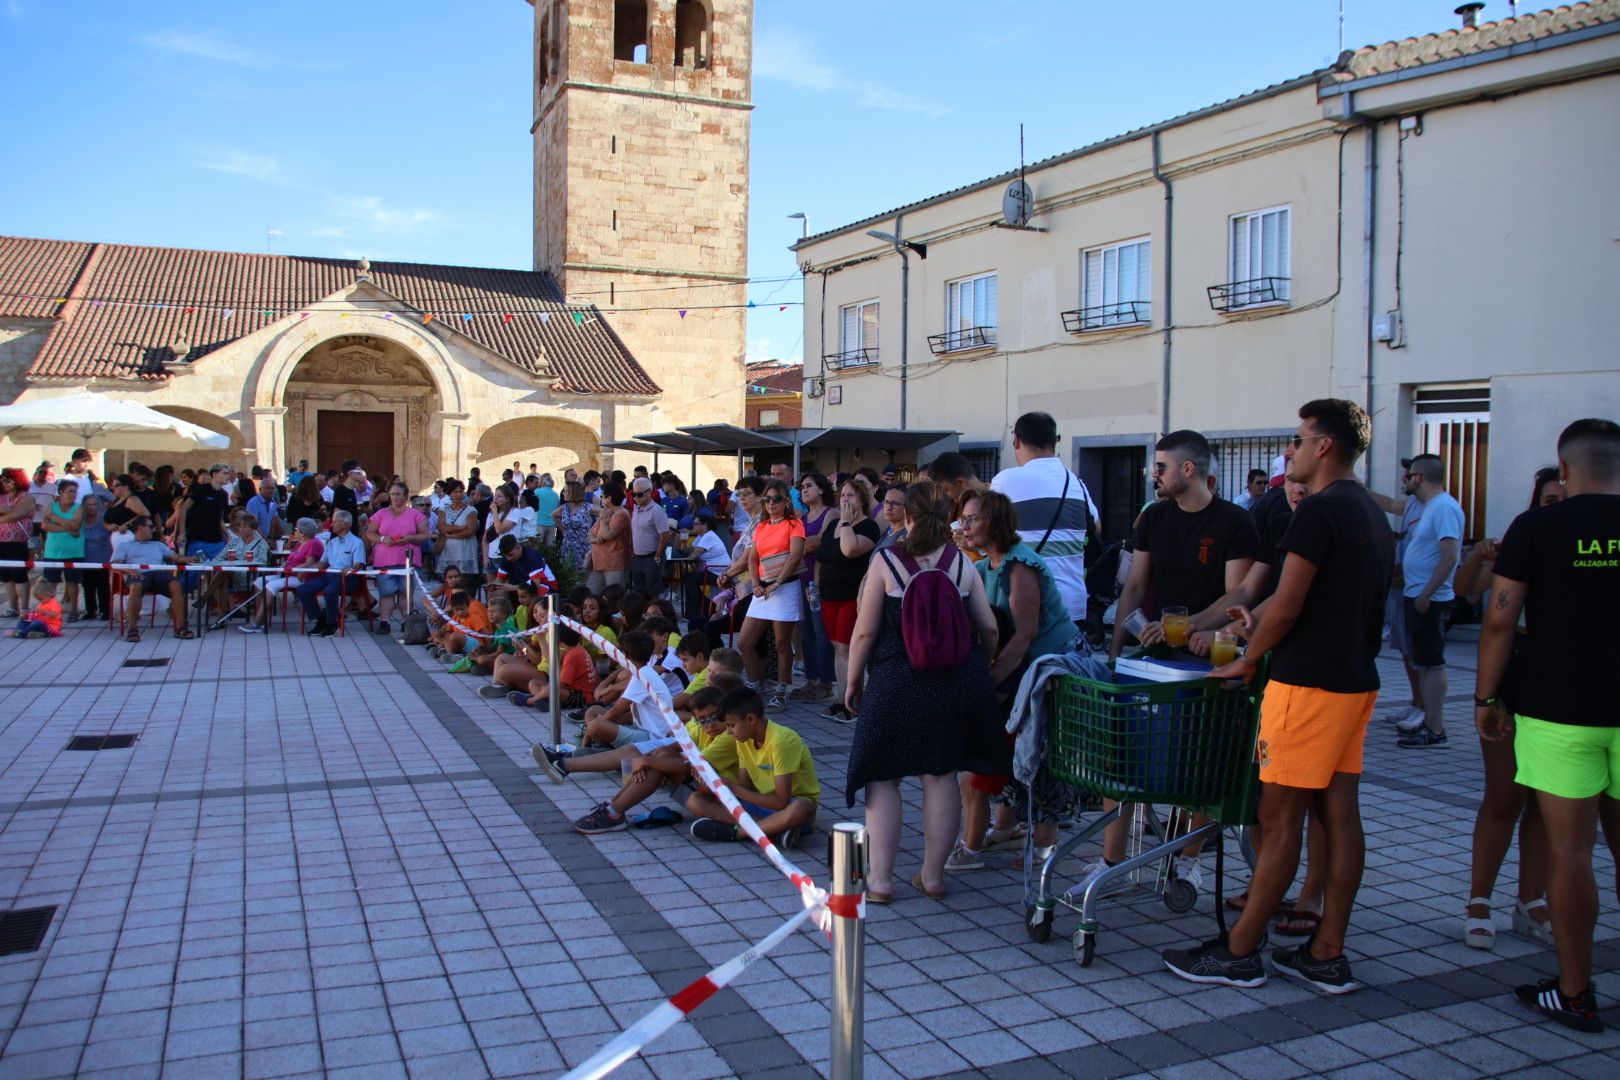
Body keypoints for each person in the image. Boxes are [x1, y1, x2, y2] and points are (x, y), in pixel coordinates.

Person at [1162, 399, 1392, 995]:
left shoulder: (1317, 513)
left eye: (1298, 439)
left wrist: (1248, 656)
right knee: (1341, 816)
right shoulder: (1371, 509)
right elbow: (1325, 601)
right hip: (1355, 682)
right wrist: (1252, 625)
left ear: (1323, 447)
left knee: (1280, 818)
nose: (1289, 450)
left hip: (1306, 686)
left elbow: (1287, 605)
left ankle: (1240, 951)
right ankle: (1327, 951)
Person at [1475, 418, 1620, 1032]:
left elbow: (1500, 621)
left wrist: (1485, 696)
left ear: (1563, 470)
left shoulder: (1537, 527)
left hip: (1559, 711)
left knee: (1571, 851)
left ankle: (1576, 992)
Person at [844, 480, 1005, 902]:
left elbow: (865, 631)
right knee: (941, 776)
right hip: (955, 680)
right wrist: (982, 661)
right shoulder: (961, 563)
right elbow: (988, 625)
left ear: (908, 516)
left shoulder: (886, 561)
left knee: (882, 778)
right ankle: (932, 876)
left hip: (897, 680)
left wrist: (853, 679)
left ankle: (879, 881)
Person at [1453, 468, 1562, 951]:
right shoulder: (1525, 538)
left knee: (1546, 799)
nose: (1558, 505)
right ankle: (1479, 900)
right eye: (1549, 498)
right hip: (1514, 673)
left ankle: (1531, 899)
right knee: (1505, 795)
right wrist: (1478, 555)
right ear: (1534, 502)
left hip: (1565, 682)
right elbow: (1465, 590)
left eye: (1565, 496)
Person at [948, 489, 1076, 872]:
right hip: (1022, 667)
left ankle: (1045, 844)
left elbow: (1023, 635)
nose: (964, 526)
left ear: (996, 523)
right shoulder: (987, 564)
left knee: (1044, 752)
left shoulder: (1019, 565)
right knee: (1012, 743)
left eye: (973, 519)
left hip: (1052, 666)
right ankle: (1006, 827)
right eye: (963, 519)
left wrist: (988, 684)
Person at [556, 685, 739, 834]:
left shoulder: (729, 737)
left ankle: (612, 811)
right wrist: (651, 758)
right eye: (703, 720)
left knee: (653, 762)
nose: (710, 724)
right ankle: (613, 808)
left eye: (715, 717)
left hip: (723, 793)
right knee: (657, 755)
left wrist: (648, 761)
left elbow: (687, 765)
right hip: (703, 782)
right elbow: (677, 745)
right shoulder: (701, 727)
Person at [990, 411, 1099, 625]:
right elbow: (1096, 528)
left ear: (1017, 440)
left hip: (1027, 600)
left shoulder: (1005, 481)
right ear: (1055, 441)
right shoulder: (1077, 484)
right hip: (1072, 604)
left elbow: (991, 536)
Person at [1390, 454, 1466, 748]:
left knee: (1431, 663)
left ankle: (1435, 728)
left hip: (1429, 600)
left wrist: (1426, 594)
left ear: (1419, 477)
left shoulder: (1444, 507)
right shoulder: (1432, 507)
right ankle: (1428, 720)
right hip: (1417, 596)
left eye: (1408, 476)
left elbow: (1450, 555)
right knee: (1422, 662)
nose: (1404, 480)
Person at [686, 685, 819, 845]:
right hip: (761, 804)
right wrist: (717, 788)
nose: (728, 732)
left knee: (802, 807)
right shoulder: (743, 739)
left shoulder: (782, 741)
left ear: (751, 719)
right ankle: (773, 831)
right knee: (695, 800)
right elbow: (745, 789)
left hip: (788, 807)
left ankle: (741, 832)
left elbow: (781, 802)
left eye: (731, 725)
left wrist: (733, 789)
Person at [816, 478, 881, 722]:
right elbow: (822, 555)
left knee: (846, 647)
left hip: (851, 596)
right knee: (837, 647)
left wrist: (845, 522)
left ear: (862, 499)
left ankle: (851, 701)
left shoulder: (868, 527)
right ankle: (841, 697)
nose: (845, 499)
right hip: (827, 595)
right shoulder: (832, 523)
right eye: (842, 495)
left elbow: (849, 549)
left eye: (851, 495)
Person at [739, 479, 805, 712]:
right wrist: (756, 584)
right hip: (762, 588)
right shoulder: (762, 526)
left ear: (786, 500)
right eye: (767, 499)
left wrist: (776, 583)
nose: (771, 503)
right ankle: (757, 686)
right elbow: (752, 558)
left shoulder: (794, 523)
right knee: (745, 642)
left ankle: (781, 689)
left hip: (785, 587)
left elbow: (795, 555)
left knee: (782, 643)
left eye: (776, 498)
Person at [578, 631, 675, 750]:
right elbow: (631, 714)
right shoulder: (644, 671)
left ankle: (601, 743)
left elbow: (616, 710)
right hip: (642, 726)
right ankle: (603, 741)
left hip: (653, 736)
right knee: (593, 711)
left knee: (596, 725)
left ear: (627, 657)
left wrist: (590, 731)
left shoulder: (642, 675)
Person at [792, 473, 837, 704]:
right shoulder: (803, 518)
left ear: (821, 489)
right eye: (802, 487)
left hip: (818, 580)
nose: (804, 490)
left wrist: (803, 546)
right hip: (801, 577)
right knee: (805, 632)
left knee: (821, 632)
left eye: (809, 486)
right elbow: (801, 547)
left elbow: (815, 543)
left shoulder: (831, 514)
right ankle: (811, 678)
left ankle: (826, 682)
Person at [117, 516, 197, 641]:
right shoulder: (125, 545)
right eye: (150, 527)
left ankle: (181, 627)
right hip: (139, 574)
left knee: (176, 585)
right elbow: (116, 563)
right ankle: (132, 629)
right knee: (136, 586)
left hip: (159, 573)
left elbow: (176, 557)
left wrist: (191, 559)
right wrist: (130, 570)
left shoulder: (158, 544)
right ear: (140, 528)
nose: (153, 530)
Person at [367, 481, 430, 635]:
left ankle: (406, 621)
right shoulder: (381, 514)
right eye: (393, 494)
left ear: (405, 496)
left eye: (398, 494)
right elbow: (370, 533)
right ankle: (385, 622)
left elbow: (424, 535)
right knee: (386, 592)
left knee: (405, 592)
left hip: (408, 560)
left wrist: (409, 538)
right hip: (385, 559)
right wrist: (383, 539)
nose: (395, 497)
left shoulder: (415, 514)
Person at [294, 509, 366, 637]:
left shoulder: (357, 542)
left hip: (347, 578)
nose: (331, 525)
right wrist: (306, 569)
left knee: (330, 591)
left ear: (344, 524)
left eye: (334, 522)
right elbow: (322, 563)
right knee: (303, 589)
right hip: (329, 575)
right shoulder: (332, 543)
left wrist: (350, 569)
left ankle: (332, 623)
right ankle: (321, 619)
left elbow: (358, 564)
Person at [243, 518, 323, 633]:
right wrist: (285, 566)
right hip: (287, 574)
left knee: (271, 586)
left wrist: (291, 569)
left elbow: (309, 563)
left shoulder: (314, 543)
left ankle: (257, 622)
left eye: (296, 529)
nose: (294, 531)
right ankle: (260, 616)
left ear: (303, 532)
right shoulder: (300, 543)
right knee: (259, 581)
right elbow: (291, 559)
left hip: (301, 577)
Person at [199, 511, 269, 627]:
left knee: (223, 575)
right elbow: (220, 557)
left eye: (244, 527)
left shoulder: (261, 543)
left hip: (250, 576)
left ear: (253, 529)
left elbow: (263, 562)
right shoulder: (235, 542)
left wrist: (246, 561)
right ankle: (220, 618)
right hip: (233, 575)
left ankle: (205, 597)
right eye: (239, 526)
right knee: (223, 577)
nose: (241, 529)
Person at [176, 464, 231, 593]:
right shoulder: (201, 490)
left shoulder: (223, 494)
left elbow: (220, 518)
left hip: (216, 541)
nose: (227, 476)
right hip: (197, 539)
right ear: (215, 474)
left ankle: (214, 603)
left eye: (228, 473)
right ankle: (176, 601)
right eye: (225, 473)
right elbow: (183, 509)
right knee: (192, 575)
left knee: (224, 571)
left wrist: (228, 535)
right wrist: (182, 533)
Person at [40, 479, 85, 620]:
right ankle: (49, 610)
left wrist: (54, 517)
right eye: (69, 491)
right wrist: (67, 528)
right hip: (52, 551)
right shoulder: (51, 506)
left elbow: (75, 526)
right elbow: (45, 526)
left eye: (75, 491)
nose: (73, 494)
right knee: (50, 583)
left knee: (72, 582)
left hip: (73, 551)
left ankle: (73, 610)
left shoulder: (78, 507)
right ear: (61, 492)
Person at [0, 468, 38, 618]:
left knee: (19, 574)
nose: (5, 484)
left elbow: (14, 515)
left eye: (8, 481)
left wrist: (5, 512)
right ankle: (12, 607)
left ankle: (25, 608)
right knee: (6, 575)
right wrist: (4, 509)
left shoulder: (26, 497)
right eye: (3, 481)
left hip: (18, 541)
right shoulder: (3, 497)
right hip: (2, 540)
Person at [628, 477, 672, 599]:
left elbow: (664, 535)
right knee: (638, 592)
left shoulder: (656, 511)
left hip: (651, 556)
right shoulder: (636, 509)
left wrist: (657, 557)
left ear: (649, 493)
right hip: (638, 557)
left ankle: (654, 615)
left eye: (640, 494)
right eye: (634, 494)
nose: (636, 497)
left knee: (653, 592)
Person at [587, 479, 631, 593]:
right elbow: (591, 532)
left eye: (602, 496)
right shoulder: (607, 511)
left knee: (614, 598)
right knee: (592, 593)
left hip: (615, 564)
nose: (600, 498)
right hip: (599, 563)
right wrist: (595, 539)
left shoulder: (621, 515)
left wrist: (602, 519)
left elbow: (607, 535)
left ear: (609, 498)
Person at [554, 479, 593, 575]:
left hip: (583, 546)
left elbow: (603, 513)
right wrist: (563, 530)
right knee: (568, 576)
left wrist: (595, 531)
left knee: (583, 577)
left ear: (574, 492)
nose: (564, 493)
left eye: (566, 491)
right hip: (568, 547)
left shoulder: (586, 507)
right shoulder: (564, 508)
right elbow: (554, 515)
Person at [245, 474, 284, 543]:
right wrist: (266, 540)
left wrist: (271, 539)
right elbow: (253, 525)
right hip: (254, 541)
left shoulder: (273, 503)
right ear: (260, 489)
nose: (271, 490)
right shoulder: (253, 503)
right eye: (268, 488)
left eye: (273, 488)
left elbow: (273, 521)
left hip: (266, 540)